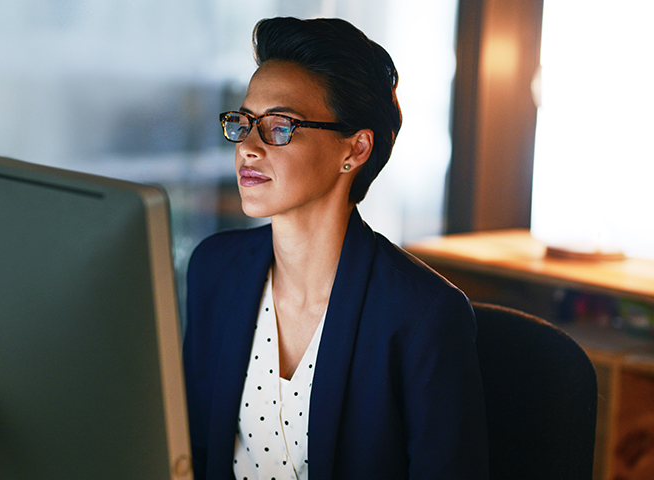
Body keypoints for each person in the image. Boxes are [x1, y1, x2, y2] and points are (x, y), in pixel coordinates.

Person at [183, 16, 488, 480]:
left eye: (279, 125)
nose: (247, 146)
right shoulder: (215, 269)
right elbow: (192, 452)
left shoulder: (423, 313)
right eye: (243, 122)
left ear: (355, 149)